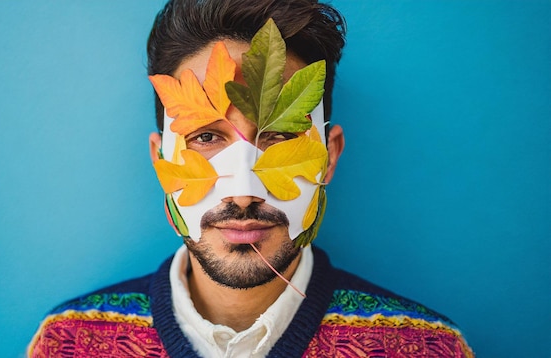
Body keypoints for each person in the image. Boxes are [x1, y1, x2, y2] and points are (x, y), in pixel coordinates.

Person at [28, 0, 474, 357]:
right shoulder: (68, 343)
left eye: (278, 136)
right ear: (160, 158)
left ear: (329, 155)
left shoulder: (425, 348)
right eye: (205, 136)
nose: (242, 192)